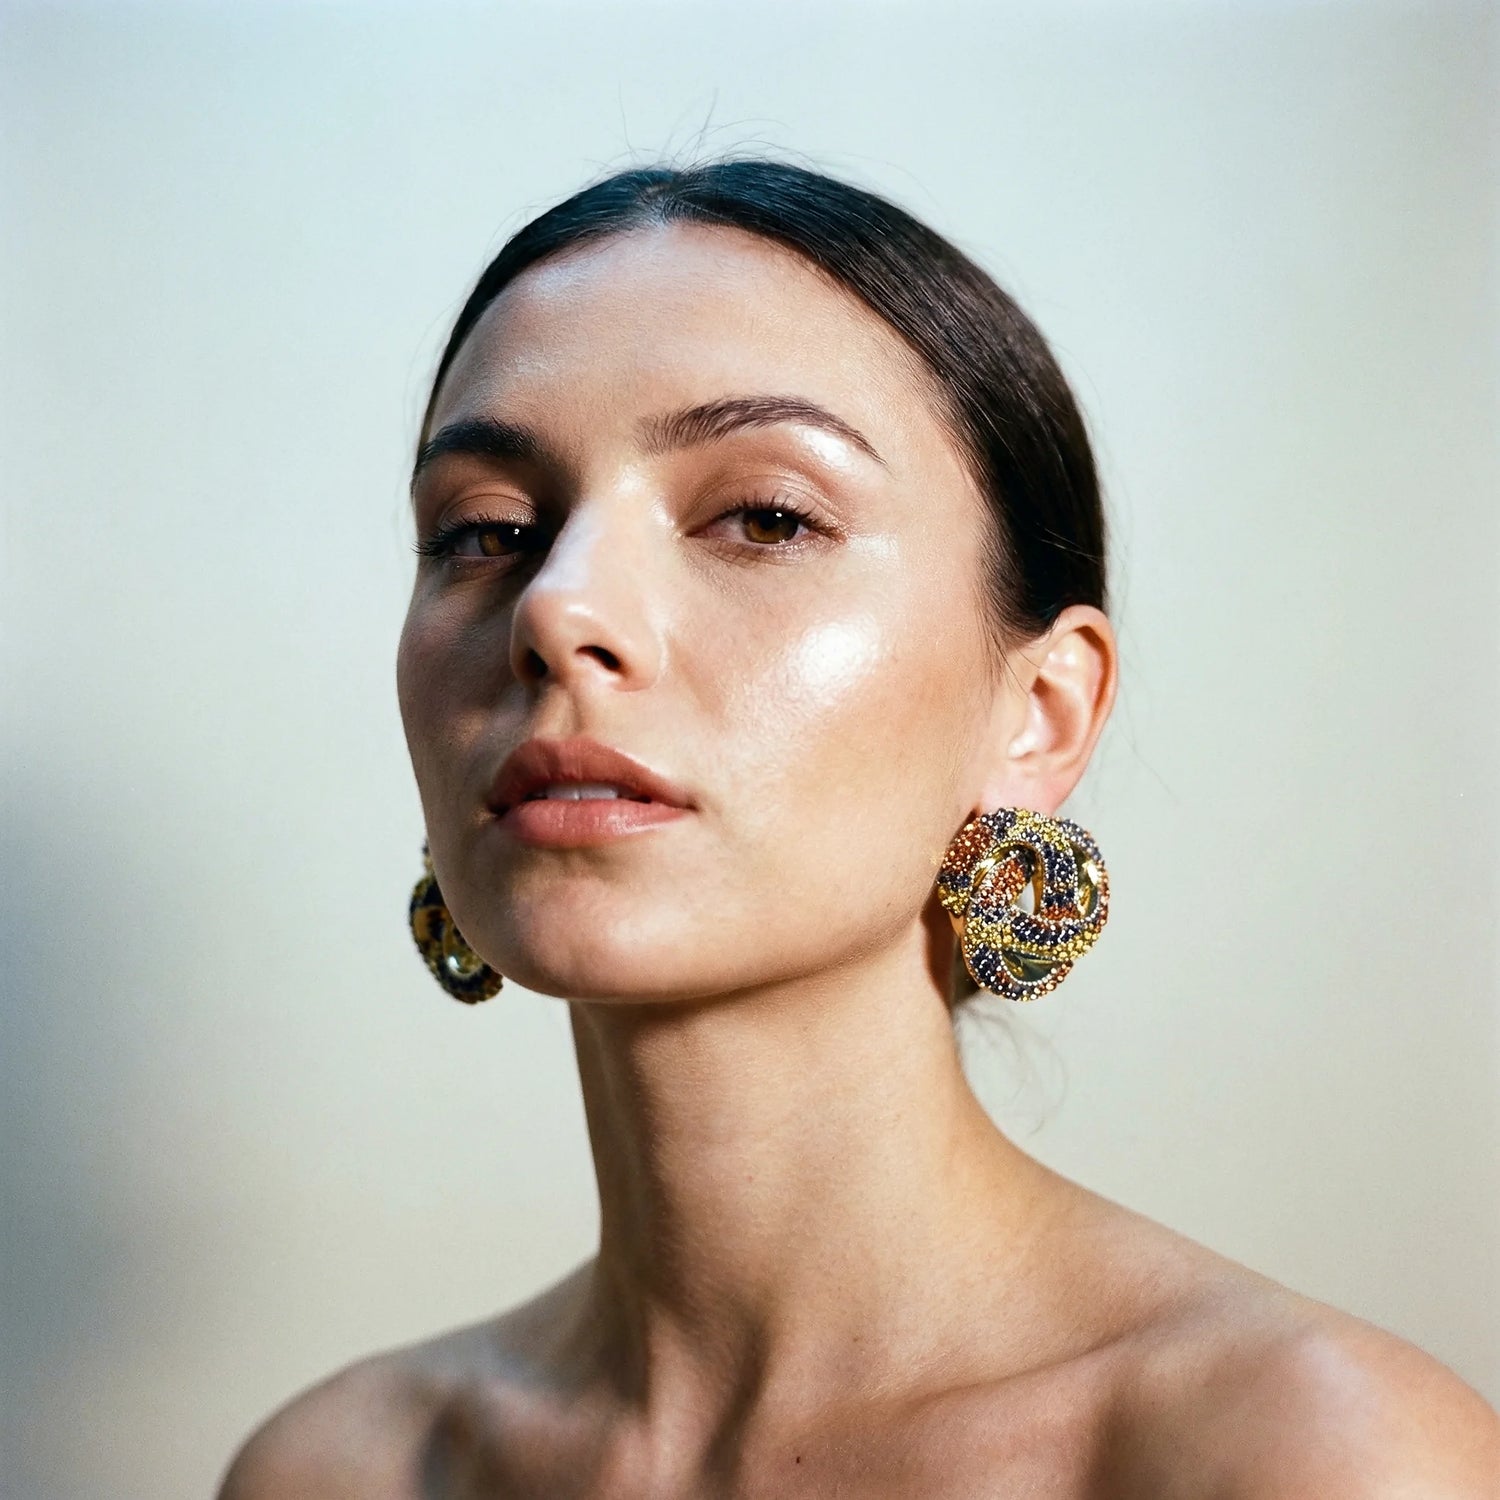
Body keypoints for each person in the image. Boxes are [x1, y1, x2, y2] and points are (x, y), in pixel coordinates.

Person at [218, 159, 1498, 1498]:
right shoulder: (342, 1473)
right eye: (485, 532)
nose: (557, 606)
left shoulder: (1307, 1455)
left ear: (1040, 714)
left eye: (765, 517)